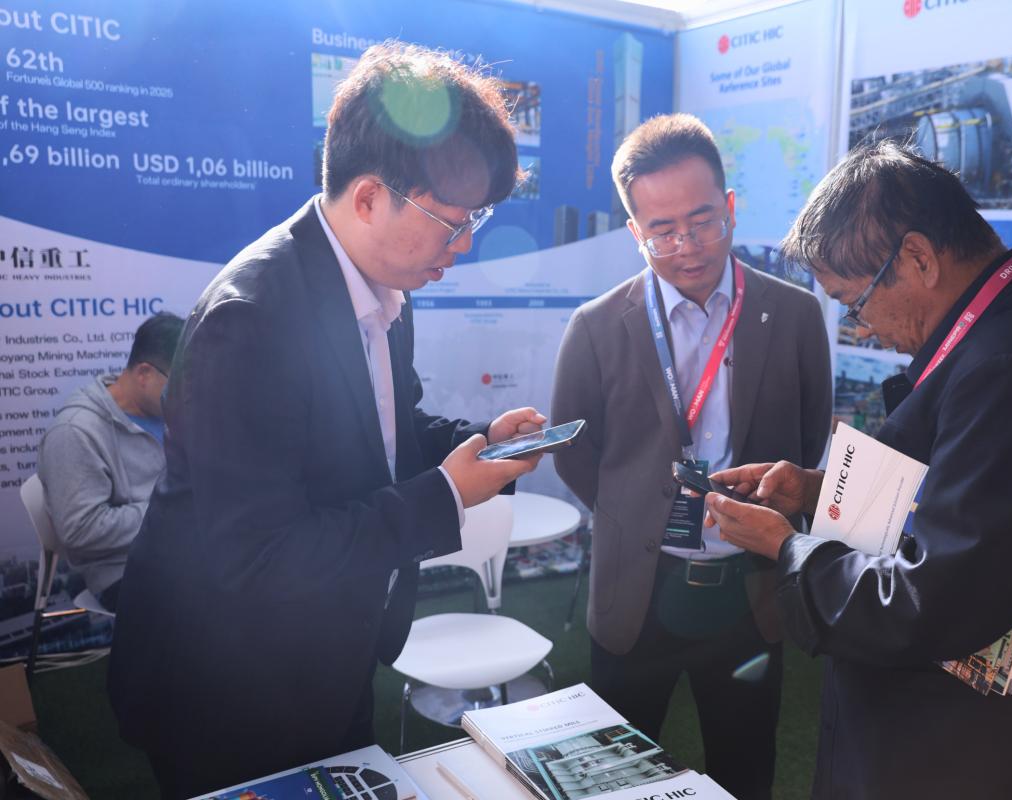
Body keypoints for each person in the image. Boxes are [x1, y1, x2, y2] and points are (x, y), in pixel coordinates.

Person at [108, 42, 544, 798]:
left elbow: (385, 431)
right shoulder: (251, 317)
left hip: (329, 647)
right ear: (370, 197)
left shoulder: (385, 286)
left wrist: (479, 444)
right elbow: (261, 555)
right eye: (451, 221)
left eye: (477, 218)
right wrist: (445, 496)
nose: (465, 245)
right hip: (227, 680)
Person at [706, 140, 1012, 799]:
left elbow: (933, 597)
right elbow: (963, 505)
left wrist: (788, 549)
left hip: (988, 754)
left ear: (917, 258)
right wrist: (816, 492)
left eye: (854, 302)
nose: (860, 328)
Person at [552, 113, 831, 799]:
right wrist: (635, 515)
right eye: (663, 230)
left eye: (703, 221)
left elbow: (807, 438)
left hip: (748, 594)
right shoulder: (596, 326)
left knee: (745, 770)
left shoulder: (794, 316)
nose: (687, 246)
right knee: (613, 776)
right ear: (635, 232)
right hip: (636, 592)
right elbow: (575, 454)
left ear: (729, 207)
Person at [36, 312, 184, 613]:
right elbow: (81, 530)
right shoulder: (75, 432)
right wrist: (175, 510)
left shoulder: (162, 411)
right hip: (125, 573)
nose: (186, 395)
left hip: (180, 553)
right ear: (144, 374)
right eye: (179, 384)